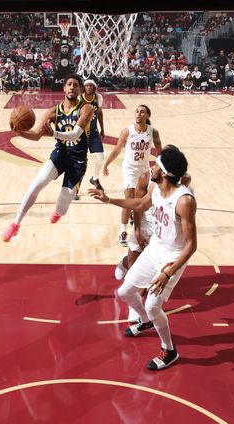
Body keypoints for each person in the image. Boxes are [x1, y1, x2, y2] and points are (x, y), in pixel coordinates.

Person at [89, 145, 196, 371]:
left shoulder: (184, 201)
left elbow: (191, 245)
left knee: (152, 304)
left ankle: (169, 349)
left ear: (165, 172)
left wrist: (168, 272)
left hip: (173, 258)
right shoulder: (156, 190)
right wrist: (108, 200)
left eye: (157, 164)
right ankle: (145, 321)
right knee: (124, 292)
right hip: (155, 248)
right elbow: (139, 204)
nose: (152, 167)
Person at [1, 74, 94, 242]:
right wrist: (19, 132)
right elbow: (36, 135)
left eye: (75, 85)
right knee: (37, 183)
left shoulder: (86, 108)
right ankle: (15, 224)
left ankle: (59, 212)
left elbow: (75, 134)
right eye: (69, 84)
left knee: (64, 201)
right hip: (60, 155)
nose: (72, 87)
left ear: (80, 90)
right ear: (64, 88)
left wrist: (54, 133)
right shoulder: (53, 111)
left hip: (78, 161)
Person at [101, 104, 162, 246]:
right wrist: (106, 164)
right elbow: (117, 149)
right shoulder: (127, 131)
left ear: (147, 115)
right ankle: (123, 230)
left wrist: (161, 167)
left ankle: (137, 227)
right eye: (137, 112)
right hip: (129, 168)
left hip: (144, 168)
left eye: (142, 112)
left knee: (140, 200)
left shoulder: (153, 132)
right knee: (129, 198)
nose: (139, 114)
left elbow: (160, 151)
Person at [73, 79, 105, 201]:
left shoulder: (99, 98)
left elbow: (100, 113)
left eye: (91, 85)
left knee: (100, 157)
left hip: (93, 132)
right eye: (87, 85)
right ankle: (75, 189)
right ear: (84, 87)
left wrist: (103, 129)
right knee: (80, 162)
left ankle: (95, 179)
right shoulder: (79, 99)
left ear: (94, 87)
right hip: (81, 133)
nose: (89, 87)